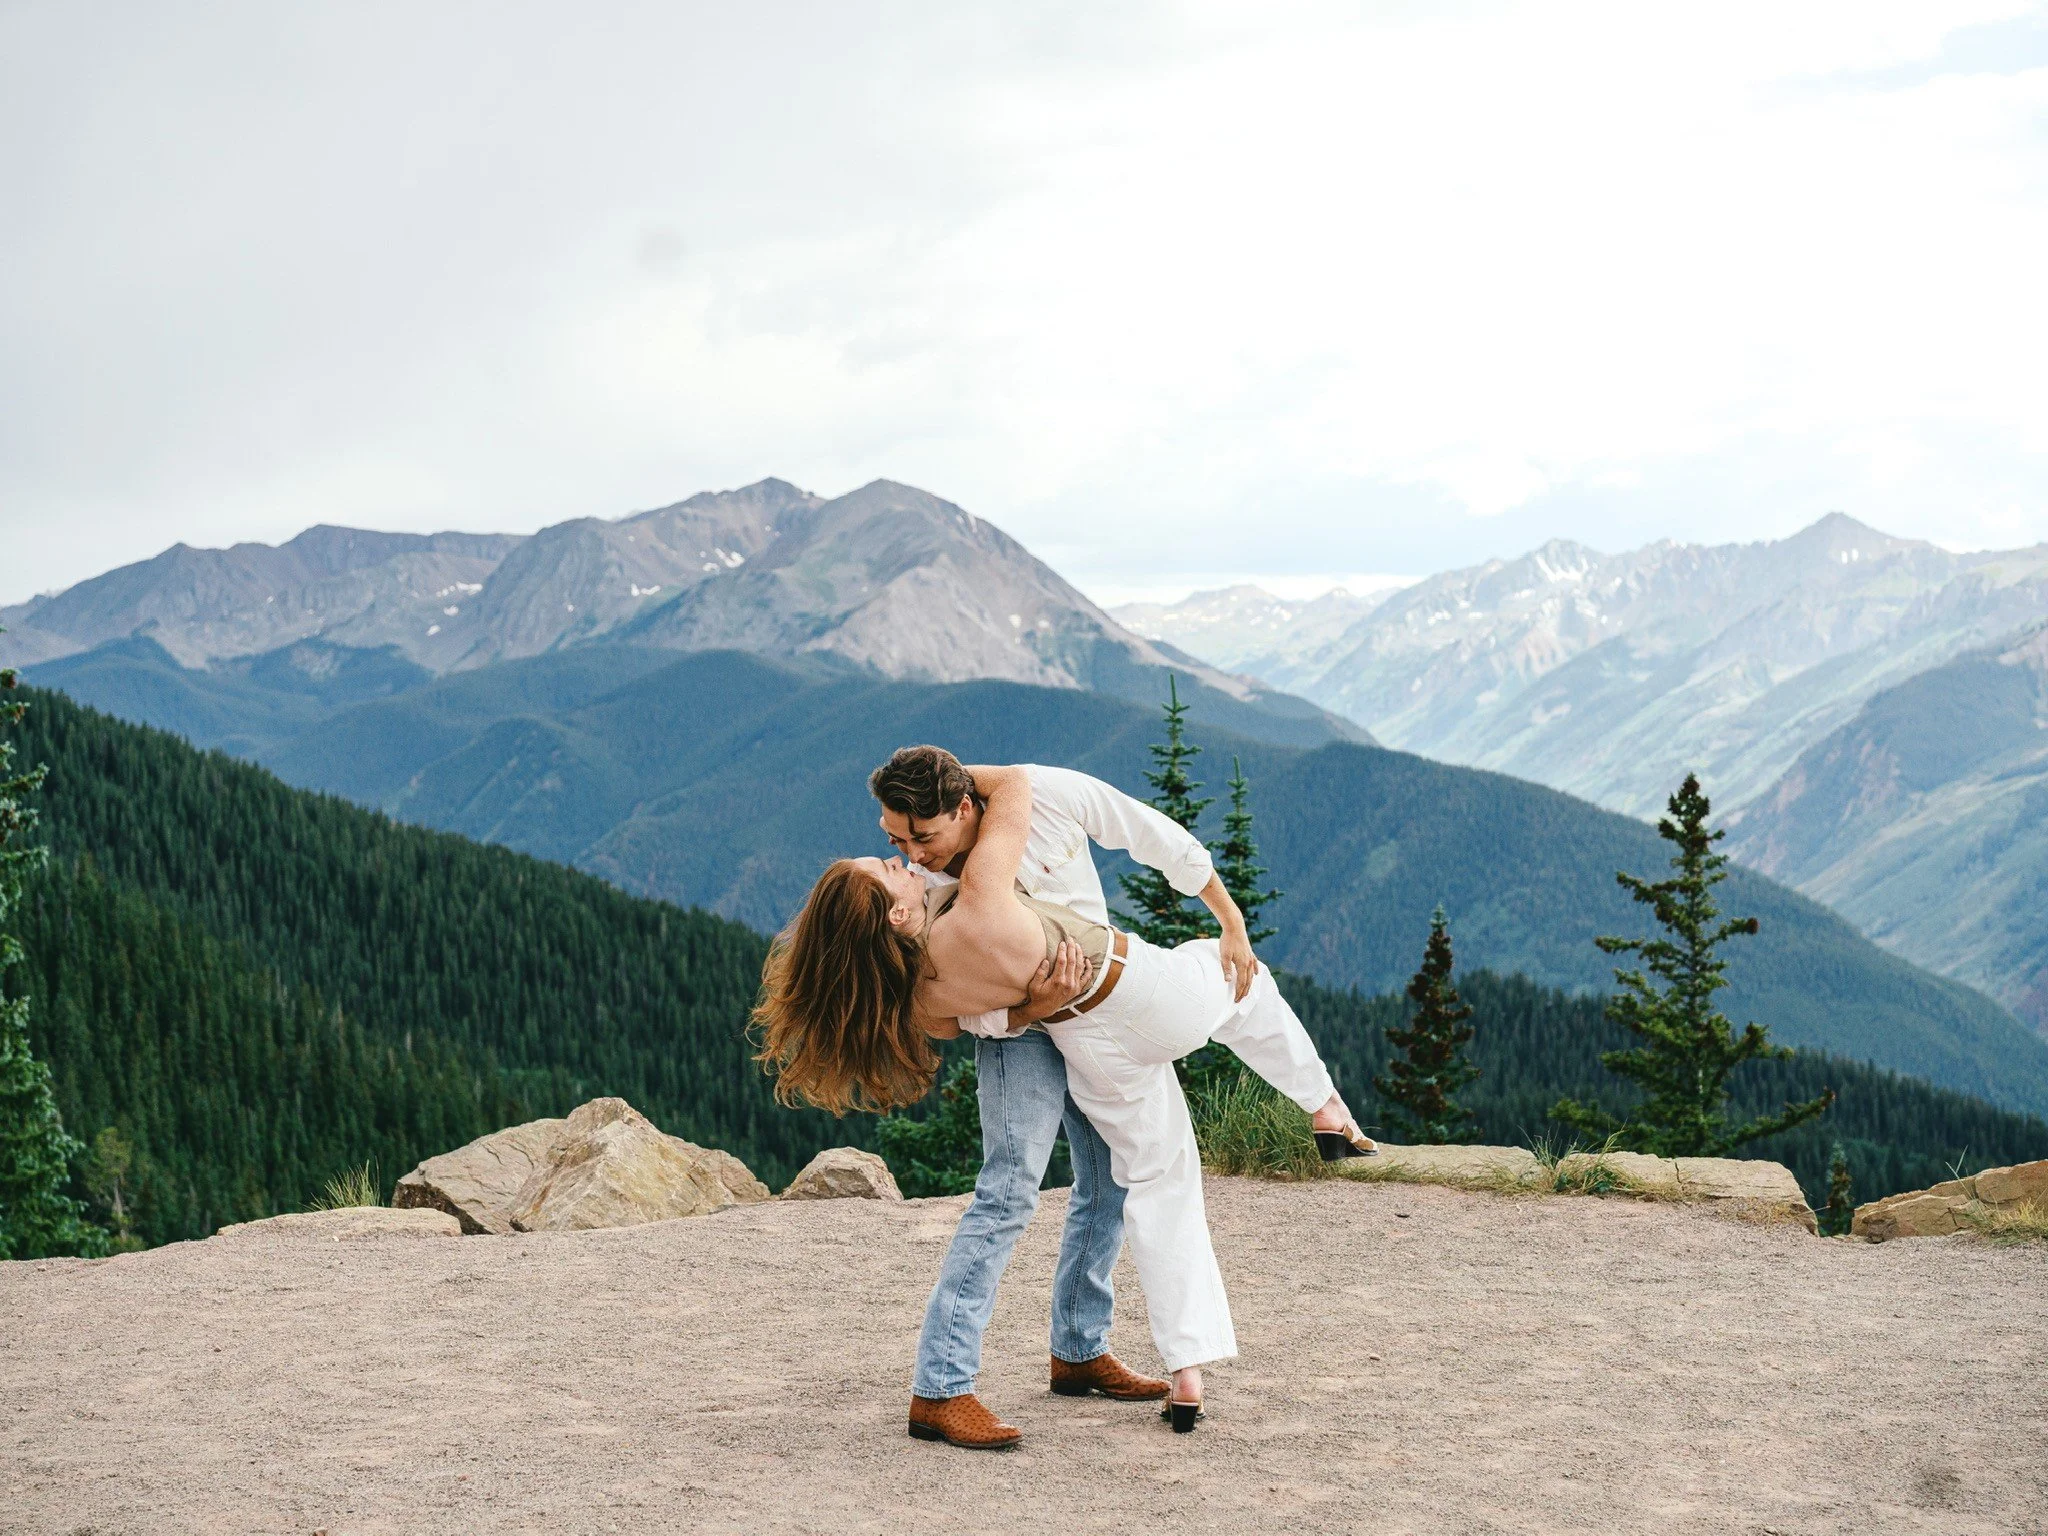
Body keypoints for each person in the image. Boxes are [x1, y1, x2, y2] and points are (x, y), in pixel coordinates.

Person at [754, 754, 1375, 1445]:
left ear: (959, 811)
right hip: (1090, 1006)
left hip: (1076, 1025)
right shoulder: (972, 881)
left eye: (913, 841)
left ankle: (1098, 1352)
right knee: (1013, 1187)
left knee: (1124, 1176)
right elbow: (1011, 788)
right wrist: (1028, 1008)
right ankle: (941, 1385)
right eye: (894, 853)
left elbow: (942, 1018)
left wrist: (1028, 1003)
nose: (906, 856)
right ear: (895, 911)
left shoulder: (918, 945)